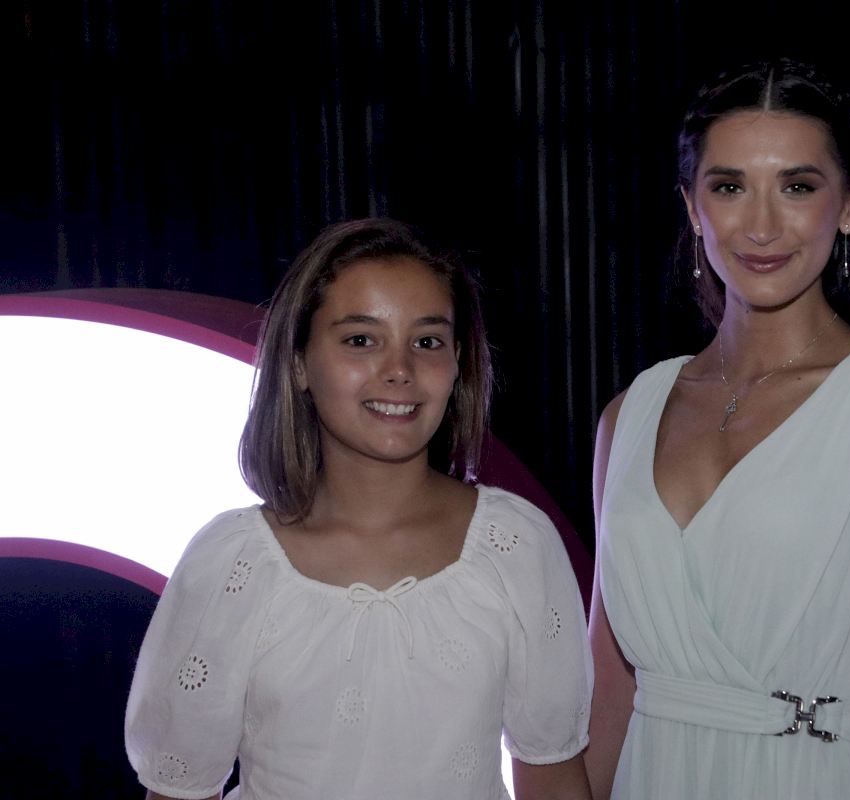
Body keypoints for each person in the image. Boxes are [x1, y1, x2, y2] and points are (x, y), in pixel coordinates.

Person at [585, 60, 850, 799]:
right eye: (729, 187)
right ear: (692, 207)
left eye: (797, 187)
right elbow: (609, 692)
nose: (762, 225)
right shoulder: (629, 413)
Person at [125, 218, 593, 800]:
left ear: (458, 362)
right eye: (361, 340)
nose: (399, 370)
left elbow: (554, 779)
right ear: (299, 362)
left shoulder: (517, 545)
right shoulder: (231, 564)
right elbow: (178, 791)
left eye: (427, 342)